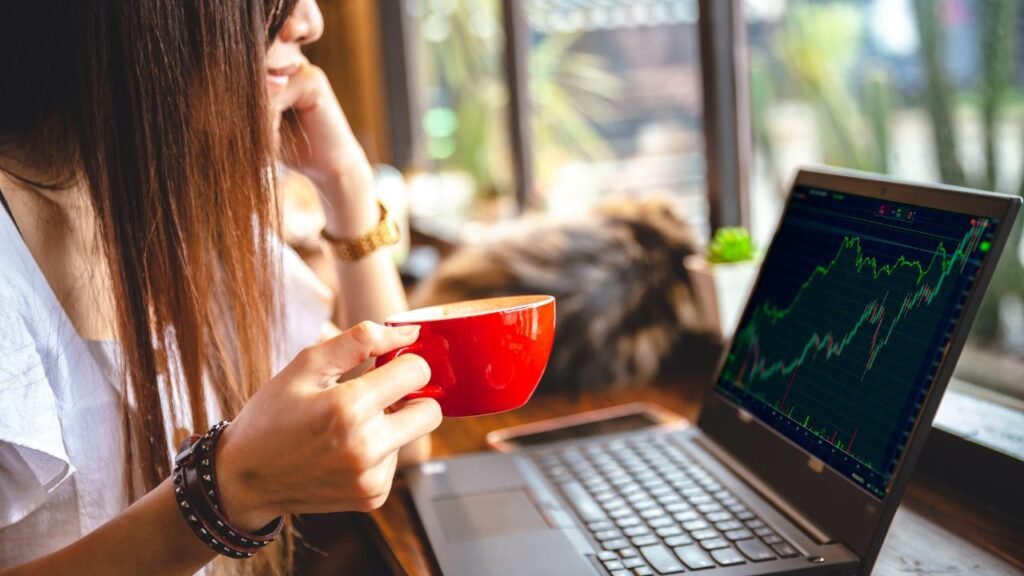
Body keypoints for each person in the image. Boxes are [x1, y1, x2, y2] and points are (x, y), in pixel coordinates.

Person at [0, 1, 441, 574]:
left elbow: (405, 443)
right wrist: (227, 494)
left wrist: (349, 186)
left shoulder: (189, 218)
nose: (310, 21)